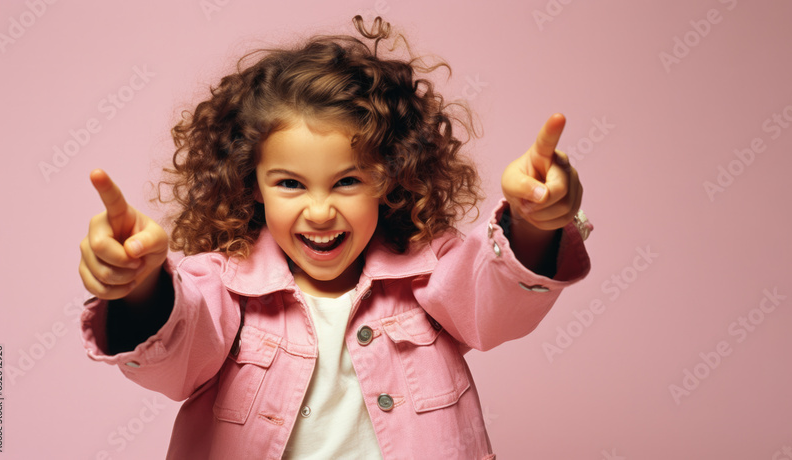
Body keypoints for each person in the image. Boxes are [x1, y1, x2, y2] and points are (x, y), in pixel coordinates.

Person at [77, 15, 593, 459]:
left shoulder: (432, 271)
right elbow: (176, 355)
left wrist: (533, 223)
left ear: (390, 176)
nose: (320, 211)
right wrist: (139, 285)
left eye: (348, 180)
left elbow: (494, 300)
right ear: (251, 184)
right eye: (290, 184)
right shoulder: (219, 287)